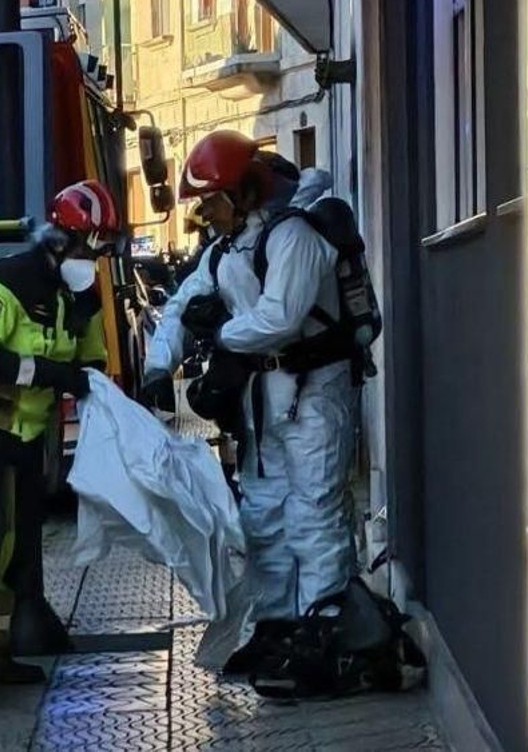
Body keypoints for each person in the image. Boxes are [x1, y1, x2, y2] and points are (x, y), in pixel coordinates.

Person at [141, 130, 357, 673]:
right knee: (263, 516)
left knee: (314, 513)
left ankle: (324, 631)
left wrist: (223, 334)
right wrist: (157, 366)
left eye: (211, 200)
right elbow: (181, 307)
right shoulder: (226, 250)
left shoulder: (295, 238)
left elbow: (281, 317)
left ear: (244, 190)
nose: (205, 214)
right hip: (267, 399)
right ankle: (279, 626)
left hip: (315, 394)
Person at [0, 179, 119, 696]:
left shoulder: (80, 299)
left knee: (14, 545)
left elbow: (92, 361)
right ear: (59, 241)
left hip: (27, 438)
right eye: (90, 247)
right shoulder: (4, 280)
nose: (94, 259)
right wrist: (48, 372)